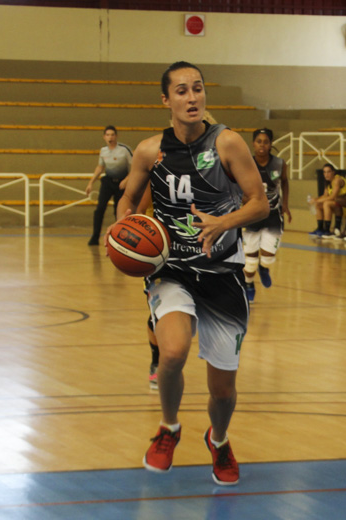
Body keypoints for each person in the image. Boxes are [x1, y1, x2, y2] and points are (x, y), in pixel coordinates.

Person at [112, 61, 268, 486]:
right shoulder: (149, 151)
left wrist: (225, 222)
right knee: (175, 352)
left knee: (222, 391)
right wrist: (123, 230)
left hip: (223, 274)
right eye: (181, 91)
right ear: (166, 100)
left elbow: (260, 203)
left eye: (197, 88)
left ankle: (218, 440)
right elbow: (127, 201)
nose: (192, 97)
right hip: (172, 271)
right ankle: (168, 428)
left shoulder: (229, 144)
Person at [242, 127, 290, 302]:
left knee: (268, 256)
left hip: (273, 214)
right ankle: (248, 284)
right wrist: (242, 199)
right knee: (250, 260)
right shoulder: (246, 163)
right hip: (252, 214)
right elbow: (238, 185)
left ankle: (264, 269)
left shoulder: (279, 163)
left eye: (266, 142)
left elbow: (284, 182)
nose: (262, 145)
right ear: (253, 144)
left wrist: (285, 204)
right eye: (259, 141)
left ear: (271, 144)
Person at [85, 126, 133, 245]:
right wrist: (90, 183)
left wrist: (127, 179)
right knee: (100, 209)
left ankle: (120, 237)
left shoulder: (124, 150)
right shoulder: (103, 151)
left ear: (116, 136)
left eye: (112, 134)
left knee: (119, 210)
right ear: (104, 137)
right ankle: (95, 237)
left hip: (121, 183)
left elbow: (134, 167)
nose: (110, 137)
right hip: (108, 182)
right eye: (107, 135)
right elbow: (100, 167)